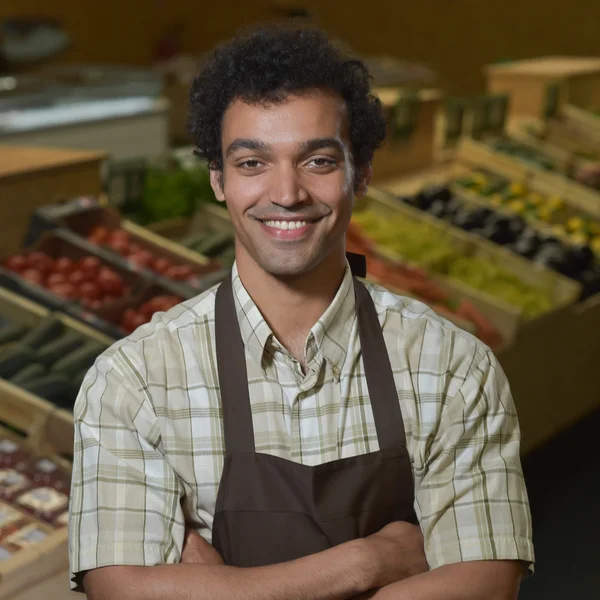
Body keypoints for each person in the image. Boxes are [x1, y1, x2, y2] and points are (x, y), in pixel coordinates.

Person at [68, 25, 534, 599]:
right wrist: (369, 562)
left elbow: (485, 585)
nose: (285, 193)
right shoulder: (133, 380)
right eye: (251, 163)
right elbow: (121, 590)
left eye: (316, 160)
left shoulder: (455, 368)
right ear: (218, 179)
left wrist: (222, 587)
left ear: (359, 173)